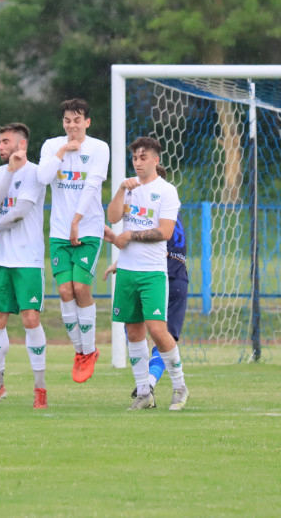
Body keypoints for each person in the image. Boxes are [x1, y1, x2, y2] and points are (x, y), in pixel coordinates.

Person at [106, 137, 190, 411]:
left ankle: (179, 387)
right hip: (128, 272)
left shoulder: (166, 191)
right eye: (135, 158)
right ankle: (144, 393)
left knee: (157, 330)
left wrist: (130, 235)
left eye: (143, 158)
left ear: (155, 160)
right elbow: (113, 217)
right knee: (133, 332)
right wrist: (120, 190)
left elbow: (165, 232)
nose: (138, 163)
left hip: (153, 272)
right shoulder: (128, 189)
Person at [0, 122, 49, 409]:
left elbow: (19, 213)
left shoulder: (36, 173)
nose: (0, 146)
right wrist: (9, 171)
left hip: (28, 260)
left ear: (21, 145)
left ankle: (40, 388)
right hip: (1, 261)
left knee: (30, 320)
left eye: (6, 141)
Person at [37, 98, 109, 383]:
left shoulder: (99, 148)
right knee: (65, 291)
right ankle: (81, 352)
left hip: (88, 228)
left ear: (87, 123)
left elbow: (92, 186)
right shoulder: (51, 145)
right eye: (67, 120)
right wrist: (62, 150)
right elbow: (43, 178)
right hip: (59, 232)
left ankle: (89, 350)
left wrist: (77, 221)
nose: (72, 126)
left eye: (77, 120)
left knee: (80, 287)